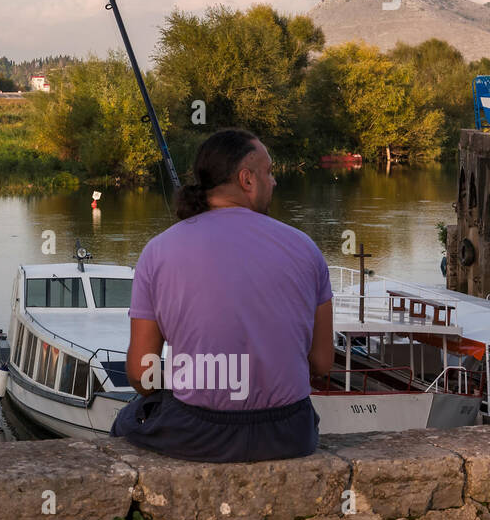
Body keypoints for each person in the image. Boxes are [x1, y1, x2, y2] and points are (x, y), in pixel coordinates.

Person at [110, 128, 333, 462]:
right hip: (289, 433)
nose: (273, 182)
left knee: (127, 420)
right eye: (269, 173)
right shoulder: (306, 248)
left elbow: (143, 376)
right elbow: (321, 363)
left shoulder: (157, 251)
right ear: (247, 179)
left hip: (199, 433)